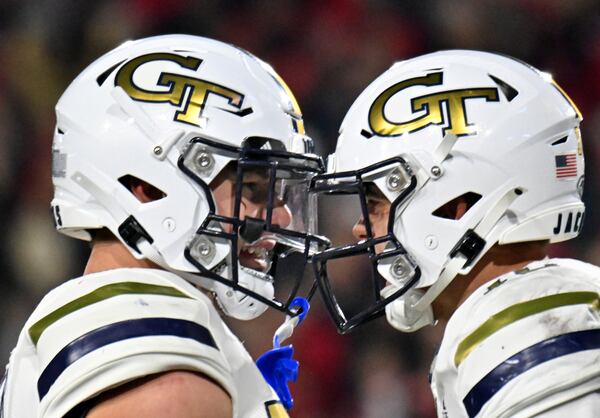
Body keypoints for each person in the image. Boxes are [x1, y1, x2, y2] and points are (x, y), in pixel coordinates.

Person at [1, 34, 323, 418]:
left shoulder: (106, 319)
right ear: (146, 189)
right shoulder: (162, 357)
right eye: (254, 189)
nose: (282, 216)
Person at [310, 50, 600, 417]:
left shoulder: (526, 326)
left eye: (377, 202)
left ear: (455, 206)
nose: (359, 227)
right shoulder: (543, 303)